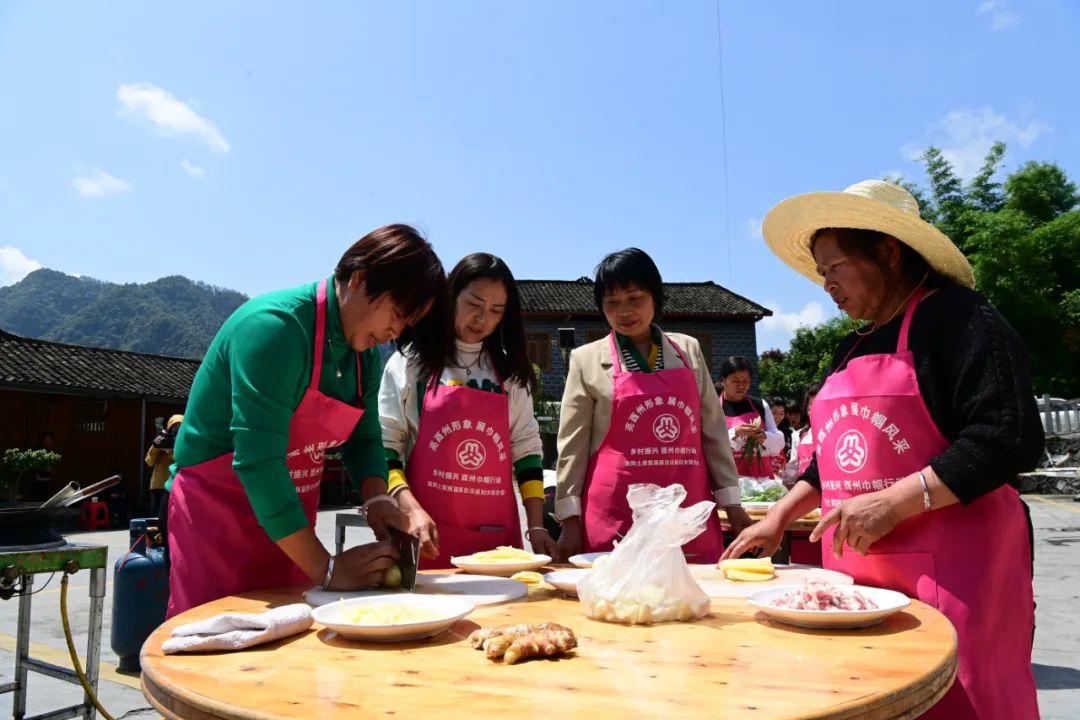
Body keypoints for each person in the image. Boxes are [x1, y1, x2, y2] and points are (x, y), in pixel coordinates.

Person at [724, 179, 1042, 719]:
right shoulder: (850, 348)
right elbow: (834, 459)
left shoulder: (960, 320)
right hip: (860, 583)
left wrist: (894, 503)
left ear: (888, 252)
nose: (826, 284)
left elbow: (1007, 435)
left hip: (960, 575)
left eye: (835, 267)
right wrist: (777, 518)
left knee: (962, 702)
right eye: (821, 272)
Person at [163, 224, 450, 618]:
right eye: (397, 314)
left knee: (286, 649)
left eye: (405, 325)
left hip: (291, 524)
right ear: (358, 279)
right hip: (218, 522)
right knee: (212, 648)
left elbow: (364, 439)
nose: (393, 333)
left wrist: (379, 498)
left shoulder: (362, 354)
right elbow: (259, 461)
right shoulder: (275, 330)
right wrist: (327, 567)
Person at [554, 248, 750, 564]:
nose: (624, 311)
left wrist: (732, 504)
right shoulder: (586, 360)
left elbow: (713, 432)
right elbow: (572, 446)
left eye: (634, 298)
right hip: (616, 512)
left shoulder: (688, 350)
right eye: (612, 302)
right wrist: (569, 519)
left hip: (685, 512)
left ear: (655, 298)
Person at [379, 253, 559, 567]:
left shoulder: (510, 374)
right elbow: (386, 447)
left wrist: (536, 524)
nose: (482, 319)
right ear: (451, 297)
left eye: (495, 311)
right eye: (473, 304)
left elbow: (527, 452)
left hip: (496, 545)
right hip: (424, 535)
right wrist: (409, 509)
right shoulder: (411, 363)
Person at [717, 357, 786, 478]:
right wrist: (735, 433)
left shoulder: (760, 405)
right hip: (727, 482)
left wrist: (764, 437)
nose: (741, 386)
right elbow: (707, 444)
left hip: (761, 482)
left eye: (745, 381)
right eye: (736, 381)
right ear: (723, 380)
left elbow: (779, 443)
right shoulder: (713, 407)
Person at [145, 415, 182, 516]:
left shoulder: (184, 443)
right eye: (173, 426)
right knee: (157, 516)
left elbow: (181, 461)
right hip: (158, 486)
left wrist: (169, 451)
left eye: (179, 426)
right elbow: (149, 462)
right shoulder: (163, 438)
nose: (176, 429)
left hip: (175, 486)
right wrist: (156, 447)